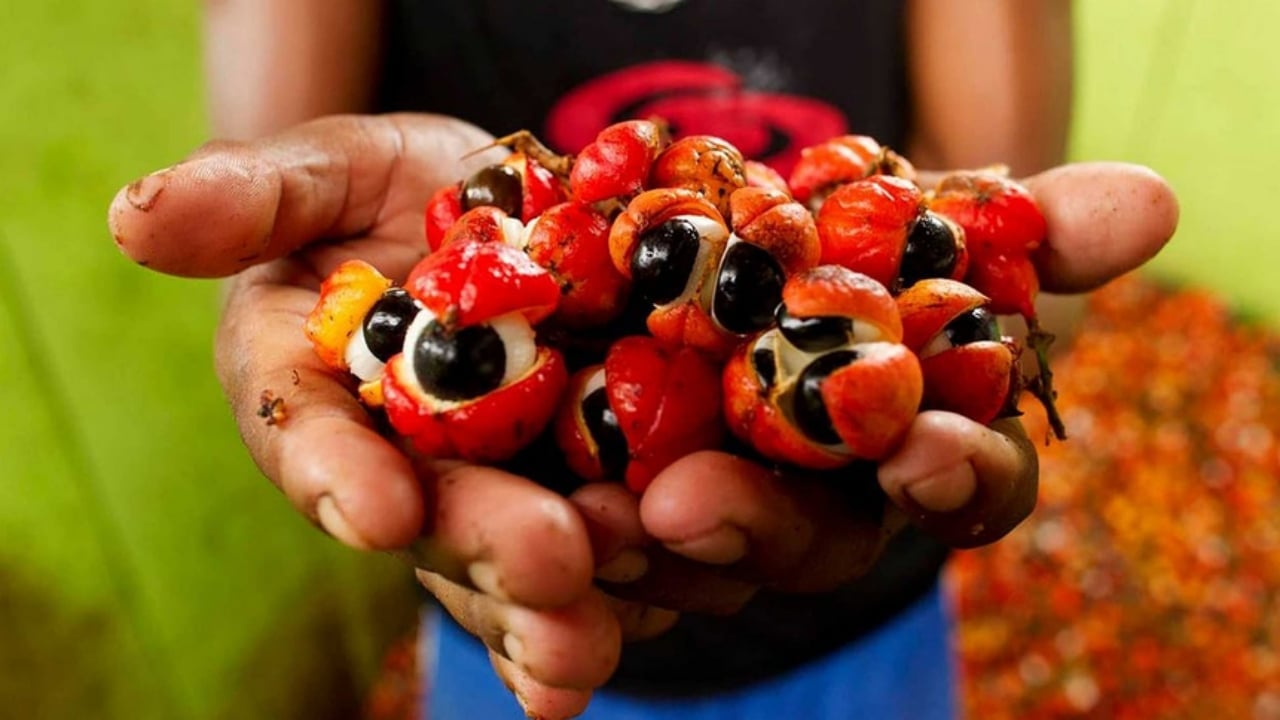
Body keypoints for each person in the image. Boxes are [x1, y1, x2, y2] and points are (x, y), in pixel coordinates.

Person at [108, 1, 1177, 717]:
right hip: (511, 631)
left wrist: (956, 318)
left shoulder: (768, 281)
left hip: (863, 620)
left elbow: (992, 233)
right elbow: (280, 211)